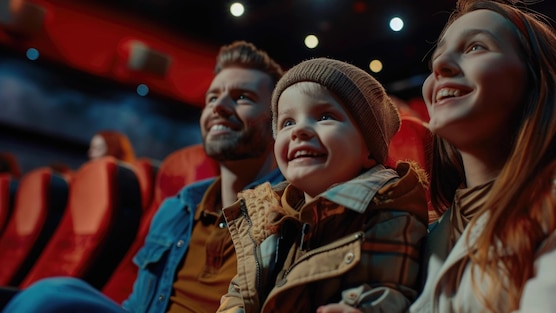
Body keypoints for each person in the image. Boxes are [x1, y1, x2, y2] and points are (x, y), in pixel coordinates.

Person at [2, 40, 285, 313]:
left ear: (277, 122)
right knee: (55, 294)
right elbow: (139, 304)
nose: (218, 106)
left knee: (51, 297)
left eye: (242, 97)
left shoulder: (291, 216)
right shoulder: (177, 208)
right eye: (212, 97)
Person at [407, 0, 556, 312]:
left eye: (475, 47)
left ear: (537, 82)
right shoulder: (425, 233)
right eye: (438, 54)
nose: (440, 66)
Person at [216, 58, 430, 313]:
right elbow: (240, 293)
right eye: (287, 122)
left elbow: (386, 288)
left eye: (325, 116)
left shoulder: (387, 204)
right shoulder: (265, 214)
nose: (299, 131)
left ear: (370, 152)